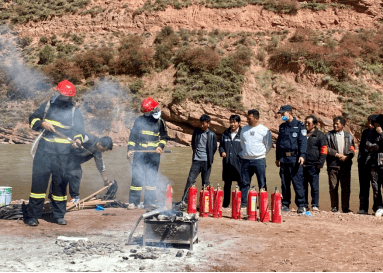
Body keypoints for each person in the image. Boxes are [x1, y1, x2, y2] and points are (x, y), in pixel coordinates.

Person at [26, 80, 85, 226]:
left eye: (67, 97)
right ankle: (33, 216)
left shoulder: (74, 111)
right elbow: (32, 119)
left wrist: (78, 140)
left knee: (60, 185)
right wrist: (42, 124)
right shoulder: (47, 106)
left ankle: (58, 215)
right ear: (57, 93)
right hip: (44, 152)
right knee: (38, 185)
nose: (65, 99)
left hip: (64, 154)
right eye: (63, 95)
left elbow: (80, 131)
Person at [127, 97, 168, 209]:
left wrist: (160, 146)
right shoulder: (139, 120)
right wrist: (130, 148)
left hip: (154, 155)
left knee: (151, 178)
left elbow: (164, 137)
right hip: (139, 154)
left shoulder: (160, 122)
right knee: (137, 177)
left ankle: (148, 202)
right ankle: (133, 202)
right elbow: (132, 136)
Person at [178, 114, 217, 207]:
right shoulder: (196, 132)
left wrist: (209, 157)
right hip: (196, 160)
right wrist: (196, 153)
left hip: (207, 162)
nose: (202, 125)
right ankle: (185, 201)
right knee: (190, 180)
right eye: (201, 124)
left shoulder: (212, 135)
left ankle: (204, 204)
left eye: (204, 124)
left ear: (208, 123)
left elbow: (214, 148)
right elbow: (193, 144)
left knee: (205, 182)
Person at [275, 105, 307, 214]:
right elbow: (279, 143)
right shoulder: (282, 127)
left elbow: (303, 141)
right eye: (281, 115)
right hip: (283, 158)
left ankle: (301, 205)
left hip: (295, 158)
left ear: (289, 113)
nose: (282, 116)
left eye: (283, 114)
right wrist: (277, 157)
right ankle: (285, 204)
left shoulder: (299, 126)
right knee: (285, 182)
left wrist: (302, 155)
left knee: (297, 182)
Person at [239, 109, 272, 207]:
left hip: (259, 160)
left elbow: (268, 145)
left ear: (256, 118)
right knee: (244, 183)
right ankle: (244, 203)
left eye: (249, 118)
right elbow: (242, 143)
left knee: (261, 182)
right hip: (245, 160)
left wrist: (260, 154)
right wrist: (246, 153)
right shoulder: (244, 129)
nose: (247, 120)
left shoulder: (264, 130)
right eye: (247, 118)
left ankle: (263, 204)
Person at [67, 134, 114, 202]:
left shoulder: (98, 151)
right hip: (65, 156)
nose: (103, 152)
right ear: (99, 144)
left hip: (75, 162)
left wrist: (106, 180)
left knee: (77, 173)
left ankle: (74, 198)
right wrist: (78, 140)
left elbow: (100, 165)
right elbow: (81, 135)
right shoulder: (90, 138)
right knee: (60, 176)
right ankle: (53, 198)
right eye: (103, 149)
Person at [325, 116, 355, 213]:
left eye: (337, 123)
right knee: (333, 187)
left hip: (346, 165)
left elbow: (353, 148)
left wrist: (347, 156)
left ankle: (345, 208)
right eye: (334, 123)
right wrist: (337, 155)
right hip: (333, 165)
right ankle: (334, 207)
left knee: (346, 188)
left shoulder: (349, 136)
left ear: (343, 125)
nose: (335, 125)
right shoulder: (328, 135)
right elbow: (325, 148)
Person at [357, 115, 381, 215]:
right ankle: (363, 208)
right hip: (363, 162)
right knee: (363, 186)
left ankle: (378, 208)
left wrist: (373, 147)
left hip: (375, 164)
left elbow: (378, 146)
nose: (369, 125)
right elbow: (363, 146)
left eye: (372, 123)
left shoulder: (379, 133)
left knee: (376, 187)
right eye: (368, 122)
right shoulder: (365, 132)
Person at [303, 115, 327, 211]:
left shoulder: (320, 135)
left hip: (314, 165)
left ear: (314, 124)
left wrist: (320, 162)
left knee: (314, 186)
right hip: (302, 164)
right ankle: (304, 204)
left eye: (308, 123)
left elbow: (324, 150)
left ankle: (315, 205)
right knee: (303, 186)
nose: (306, 124)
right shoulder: (302, 134)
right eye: (305, 122)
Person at [219, 115, 242, 208]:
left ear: (239, 123)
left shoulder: (243, 133)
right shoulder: (225, 133)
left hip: (239, 163)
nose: (232, 124)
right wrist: (222, 151)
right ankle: (226, 204)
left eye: (234, 122)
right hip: (227, 163)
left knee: (241, 183)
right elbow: (221, 146)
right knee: (227, 184)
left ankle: (240, 203)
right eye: (231, 122)